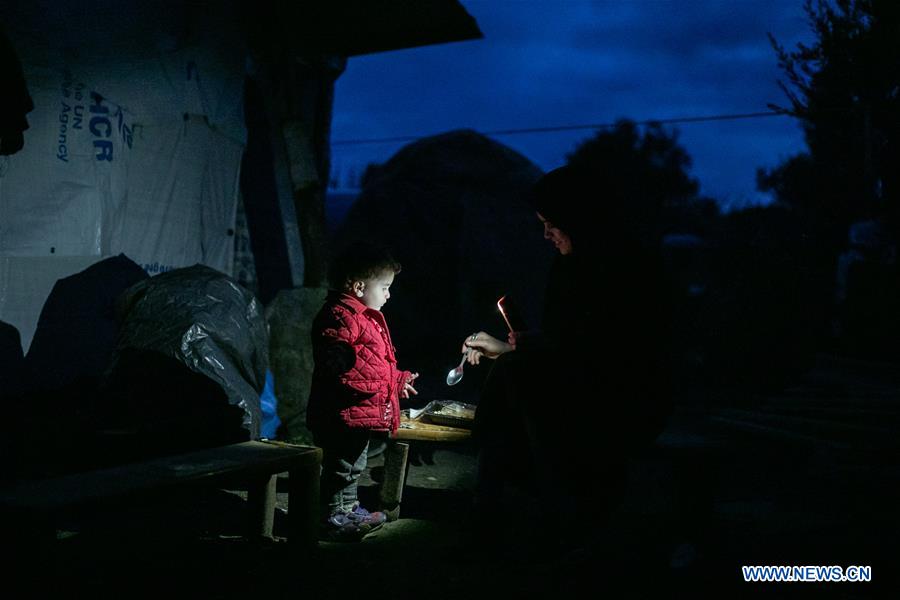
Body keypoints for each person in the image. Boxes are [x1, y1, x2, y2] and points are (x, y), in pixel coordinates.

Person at [460, 164, 673, 536]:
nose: (546, 235)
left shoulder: (630, 269)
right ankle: (497, 507)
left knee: (517, 382)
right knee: (513, 377)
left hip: (623, 396)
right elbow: (562, 340)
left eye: (552, 225)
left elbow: (623, 352)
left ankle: (552, 515)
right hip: (574, 380)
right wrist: (513, 348)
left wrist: (542, 348)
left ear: (580, 220)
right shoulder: (567, 267)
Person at [307, 242, 419, 541]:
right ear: (358, 286)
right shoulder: (340, 317)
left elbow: (372, 365)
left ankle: (349, 508)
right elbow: (341, 361)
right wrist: (340, 357)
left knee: (354, 466)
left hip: (358, 413)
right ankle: (331, 517)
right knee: (340, 468)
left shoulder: (362, 318)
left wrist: (396, 380)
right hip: (340, 412)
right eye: (384, 287)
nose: (388, 294)